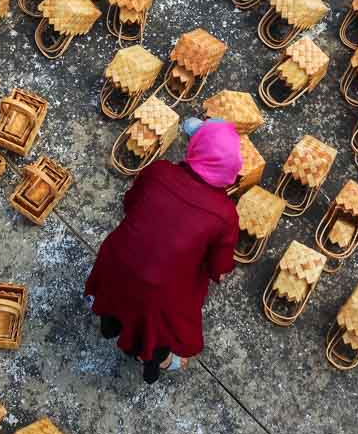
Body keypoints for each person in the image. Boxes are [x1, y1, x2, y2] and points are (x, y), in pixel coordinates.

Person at [84, 118, 242, 382]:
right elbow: (218, 268)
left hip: (116, 260)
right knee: (159, 326)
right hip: (157, 291)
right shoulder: (225, 215)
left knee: (115, 297)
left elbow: (130, 203)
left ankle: (110, 325)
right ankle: (156, 358)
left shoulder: (159, 171)